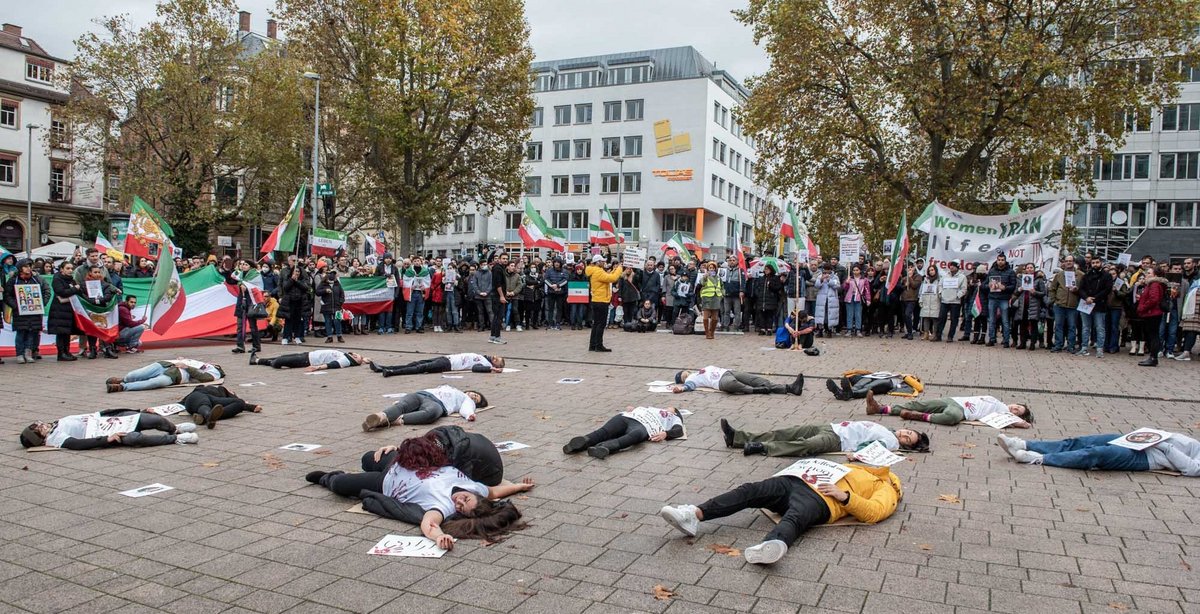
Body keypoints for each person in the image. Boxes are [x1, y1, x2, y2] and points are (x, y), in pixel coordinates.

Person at [304, 435, 534, 547]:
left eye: (461, 507)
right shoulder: (476, 487)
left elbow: (429, 524)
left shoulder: (442, 506)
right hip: (402, 462)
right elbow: (496, 492)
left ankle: (327, 477)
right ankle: (371, 460)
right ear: (474, 493)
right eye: (466, 498)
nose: (459, 501)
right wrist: (521, 486)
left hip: (384, 483)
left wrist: (439, 537)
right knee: (367, 458)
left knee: (340, 485)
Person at [659, 463, 902, 564]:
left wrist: (845, 497)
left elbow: (876, 511)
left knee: (796, 517)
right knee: (750, 491)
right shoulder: (859, 465)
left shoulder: (886, 485)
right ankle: (693, 515)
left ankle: (771, 546)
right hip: (793, 480)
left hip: (821, 498)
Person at [996, 432, 1199, 476]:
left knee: (1096, 454)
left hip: (1148, 457)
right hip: (1140, 440)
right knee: (1081, 441)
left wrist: (1163, 445)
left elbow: (1192, 469)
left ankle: (1036, 458)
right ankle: (1024, 443)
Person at [720, 418, 930, 457]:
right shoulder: (890, 430)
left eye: (907, 440)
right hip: (831, 427)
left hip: (838, 441)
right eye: (908, 432)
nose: (903, 435)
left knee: (804, 446)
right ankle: (737, 437)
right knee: (786, 431)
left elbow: (869, 446)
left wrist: (855, 455)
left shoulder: (891, 443)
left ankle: (760, 447)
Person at [19, 409, 199, 449]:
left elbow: (92, 415)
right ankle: (175, 439)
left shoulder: (55, 423)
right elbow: (76, 444)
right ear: (39, 438)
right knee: (134, 439)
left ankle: (174, 429)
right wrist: (107, 439)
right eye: (39, 428)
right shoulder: (55, 438)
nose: (43, 424)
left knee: (150, 419)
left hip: (108, 420)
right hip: (105, 432)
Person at [562, 406, 686, 459]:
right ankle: (585, 442)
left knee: (631, 436)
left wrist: (666, 434)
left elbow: (678, 430)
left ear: (675, 412)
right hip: (629, 417)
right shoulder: (653, 408)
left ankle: (601, 446)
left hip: (645, 426)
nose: (668, 407)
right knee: (606, 431)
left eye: (671, 408)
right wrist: (634, 408)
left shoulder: (673, 418)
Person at [866, 391, 1031, 427]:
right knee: (920, 404)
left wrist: (1021, 422)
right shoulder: (997, 400)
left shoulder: (1004, 415)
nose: (1014, 409)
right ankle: (880, 409)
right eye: (1016, 406)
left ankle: (918, 417)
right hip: (954, 399)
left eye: (1017, 411)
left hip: (962, 412)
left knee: (951, 418)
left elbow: (1018, 424)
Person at [361, 386, 488, 428]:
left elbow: (466, 408)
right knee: (403, 404)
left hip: (437, 404)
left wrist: (469, 414)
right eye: (475, 394)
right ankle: (380, 416)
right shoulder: (453, 388)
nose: (473, 396)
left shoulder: (466, 400)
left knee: (430, 413)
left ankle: (391, 420)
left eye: (476, 399)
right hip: (422, 394)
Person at [3, 259, 48, 364]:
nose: (28, 268)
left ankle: (28, 353)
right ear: (20, 268)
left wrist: (41, 303)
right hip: (20, 312)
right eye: (26, 266)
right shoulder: (13, 280)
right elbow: (7, 295)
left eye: (30, 266)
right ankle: (19, 354)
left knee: (32, 332)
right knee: (21, 333)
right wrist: (15, 306)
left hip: (34, 311)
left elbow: (46, 291)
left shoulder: (37, 279)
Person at [107, 359, 225, 393]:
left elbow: (206, 378)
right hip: (166, 365)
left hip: (176, 375)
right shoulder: (202, 363)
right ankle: (125, 379)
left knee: (153, 383)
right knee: (136, 374)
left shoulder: (215, 372)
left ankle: (123, 387)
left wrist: (187, 367)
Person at [671, 366, 804, 396]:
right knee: (733, 385)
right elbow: (690, 386)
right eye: (682, 376)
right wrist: (681, 388)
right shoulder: (691, 378)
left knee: (755, 379)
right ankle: (757, 390)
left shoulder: (696, 371)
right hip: (721, 380)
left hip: (727, 372)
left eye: (684, 373)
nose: (685, 374)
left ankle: (789, 388)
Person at [586, 254, 623, 352]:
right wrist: (619, 269)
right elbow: (612, 278)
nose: (604, 262)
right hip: (601, 300)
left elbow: (609, 275)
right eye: (602, 261)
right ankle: (598, 345)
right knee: (600, 324)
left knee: (596, 323)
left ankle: (593, 345)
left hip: (597, 300)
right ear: (598, 262)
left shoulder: (594, 270)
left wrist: (615, 269)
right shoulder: (598, 271)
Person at [1133, 264, 1168, 367]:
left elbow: (1154, 299)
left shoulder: (1154, 284)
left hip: (1152, 313)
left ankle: (1153, 357)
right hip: (1152, 312)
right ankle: (1152, 357)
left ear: (1155, 275)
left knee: (1153, 335)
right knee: (1152, 335)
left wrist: (1142, 307)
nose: (1146, 275)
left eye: (1148, 273)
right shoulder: (1154, 284)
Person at [182, 384, 262, 428]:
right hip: (196, 397)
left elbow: (240, 403)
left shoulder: (225, 396)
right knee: (204, 402)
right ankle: (208, 415)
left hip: (213, 402)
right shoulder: (216, 389)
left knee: (240, 403)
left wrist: (251, 407)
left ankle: (209, 417)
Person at [1077, 256, 1112, 357]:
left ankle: (1100, 349)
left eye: (1097, 262)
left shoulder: (1106, 275)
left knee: (1100, 327)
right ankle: (1084, 347)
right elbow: (1081, 288)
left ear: (1100, 263)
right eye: (1093, 263)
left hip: (1100, 304)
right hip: (1086, 304)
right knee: (1085, 327)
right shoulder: (1087, 275)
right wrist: (1086, 297)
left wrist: (1094, 298)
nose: (1095, 264)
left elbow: (1107, 290)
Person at [366, 352, 505, 377]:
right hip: (447, 358)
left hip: (448, 364)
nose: (495, 357)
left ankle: (392, 372)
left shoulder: (484, 363)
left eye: (496, 360)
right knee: (418, 363)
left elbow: (475, 368)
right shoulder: (483, 357)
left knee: (421, 368)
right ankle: (383, 368)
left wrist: (490, 369)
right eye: (497, 357)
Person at [1047, 257, 1081, 353]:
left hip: (1073, 305)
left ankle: (1071, 346)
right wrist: (1054, 301)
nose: (1068, 263)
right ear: (1064, 263)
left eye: (1070, 261)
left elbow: (1084, 289)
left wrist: (1077, 290)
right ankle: (1058, 345)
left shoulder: (1080, 275)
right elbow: (1052, 289)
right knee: (1058, 326)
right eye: (1066, 261)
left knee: (1072, 326)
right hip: (1059, 305)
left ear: (1073, 262)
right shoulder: (1059, 275)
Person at [825, 370, 923, 401]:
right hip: (876, 376)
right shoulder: (890, 373)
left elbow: (919, 387)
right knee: (861, 383)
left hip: (889, 383)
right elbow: (866, 372)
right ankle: (843, 392)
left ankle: (850, 393)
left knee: (870, 387)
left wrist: (905, 376)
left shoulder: (908, 378)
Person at [985, 254, 1017, 347]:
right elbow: (984, 285)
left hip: (1004, 299)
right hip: (992, 297)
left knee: (1005, 321)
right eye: (999, 260)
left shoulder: (1010, 272)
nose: (1000, 261)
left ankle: (1006, 340)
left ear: (1005, 261)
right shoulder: (992, 271)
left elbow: (1013, 286)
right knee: (991, 320)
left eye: (1002, 260)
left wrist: (1005, 287)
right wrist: (989, 285)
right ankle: (992, 339)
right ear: (997, 260)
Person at [935, 261, 968, 342]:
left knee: (954, 320)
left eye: (953, 266)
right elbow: (940, 285)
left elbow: (964, 289)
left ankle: (950, 336)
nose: (951, 267)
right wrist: (940, 293)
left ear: (957, 267)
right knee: (941, 318)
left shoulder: (962, 277)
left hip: (955, 302)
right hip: (944, 300)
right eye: (950, 266)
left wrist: (957, 296)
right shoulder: (945, 275)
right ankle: (938, 335)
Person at [249, 348, 365, 370]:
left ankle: (269, 363)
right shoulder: (346, 355)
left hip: (308, 360)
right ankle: (257, 361)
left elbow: (332, 365)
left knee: (279, 362)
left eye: (358, 356)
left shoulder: (346, 361)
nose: (356, 354)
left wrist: (317, 367)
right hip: (308, 355)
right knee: (282, 357)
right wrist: (365, 360)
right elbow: (364, 359)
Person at [280, 263, 310, 345]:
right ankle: (286, 337)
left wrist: (297, 281)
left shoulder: (302, 279)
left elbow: (305, 288)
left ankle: (297, 336)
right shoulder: (288, 278)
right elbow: (285, 287)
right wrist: (292, 280)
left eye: (298, 271)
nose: (297, 273)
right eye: (295, 271)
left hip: (299, 302)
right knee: (288, 320)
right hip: (290, 302)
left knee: (298, 320)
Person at [317, 268, 346, 343]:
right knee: (328, 321)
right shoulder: (323, 284)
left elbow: (342, 294)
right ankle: (329, 336)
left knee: (337, 321)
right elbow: (317, 292)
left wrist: (340, 302)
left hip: (337, 306)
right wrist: (325, 291)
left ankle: (339, 336)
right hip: (326, 306)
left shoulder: (337, 284)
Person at [697, 261, 725, 339]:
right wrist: (705, 276)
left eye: (713, 268)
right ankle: (707, 333)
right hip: (707, 298)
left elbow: (722, 286)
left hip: (716, 298)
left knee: (715, 317)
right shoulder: (705, 276)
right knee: (706, 316)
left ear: (715, 269)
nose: (711, 269)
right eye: (710, 268)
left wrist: (722, 294)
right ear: (707, 269)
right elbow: (702, 283)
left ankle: (712, 332)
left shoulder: (719, 278)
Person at [842, 264, 870, 337]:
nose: (855, 272)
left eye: (857, 270)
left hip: (858, 298)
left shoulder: (864, 279)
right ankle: (849, 329)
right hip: (849, 298)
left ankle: (858, 329)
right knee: (849, 314)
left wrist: (868, 299)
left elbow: (867, 290)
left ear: (860, 271)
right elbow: (844, 288)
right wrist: (846, 283)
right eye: (854, 270)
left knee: (858, 314)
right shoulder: (849, 278)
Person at [812, 265, 840, 336]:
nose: (826, 272)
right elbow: (816, 286)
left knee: (829, 314)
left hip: (831, 299)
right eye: (825, 270)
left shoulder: (835, 277)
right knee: (821, 314)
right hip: (822, 299)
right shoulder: (820, 276)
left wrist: (829, 280)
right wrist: (821, 280)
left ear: (831, 270)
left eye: (828, 270)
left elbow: (837, 286)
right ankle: (820, 330)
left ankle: (829, 330)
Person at [489, 252, 509, 344]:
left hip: (497, 295)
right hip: (497, 296)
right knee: (499, 317)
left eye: (506, 258)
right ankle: (497, 337)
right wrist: (501, 296)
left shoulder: (500, 268)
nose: (505, 260)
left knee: (496, 317)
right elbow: (498, 284)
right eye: (503, 258)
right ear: (499, 259)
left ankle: (492, 336)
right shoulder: (498, 269)